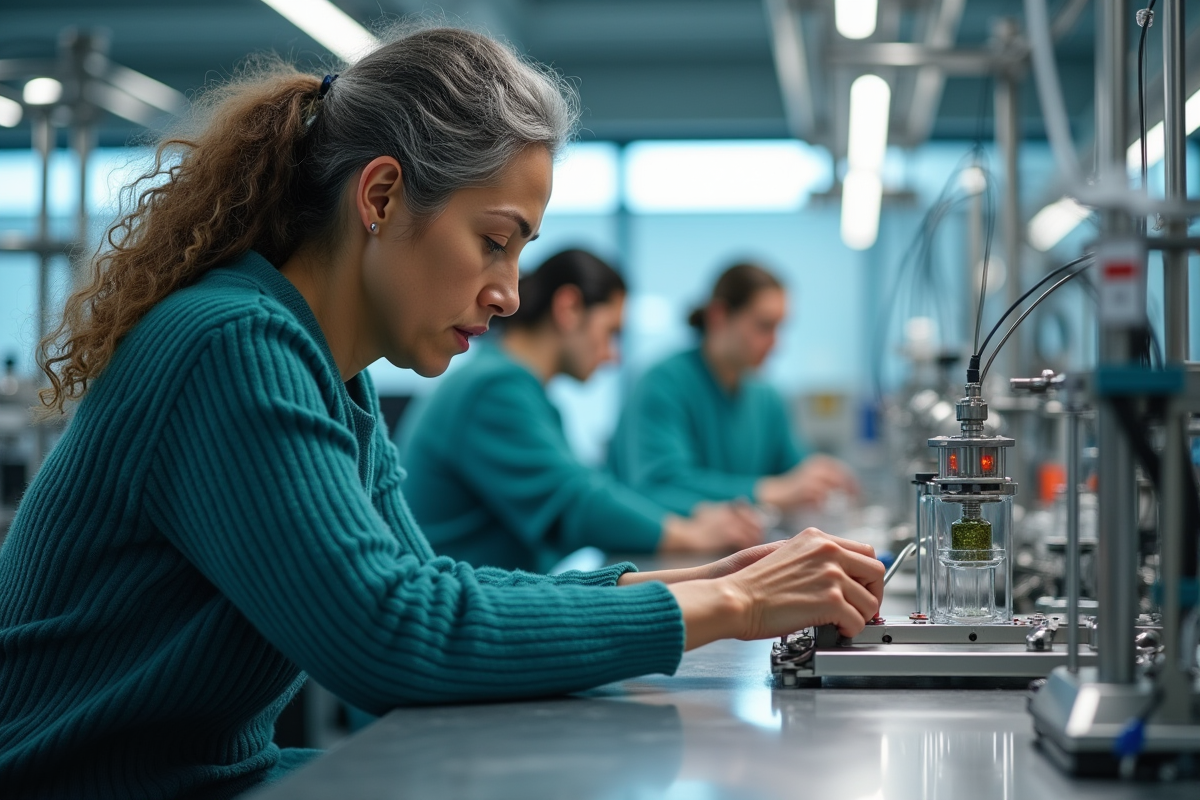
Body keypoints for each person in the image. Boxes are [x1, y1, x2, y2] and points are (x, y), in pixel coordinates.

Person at [0, 27, 883, 800]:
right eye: (493, 242)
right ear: (381, 197)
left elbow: (427, 584)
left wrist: (699, 583)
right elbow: (390, 635)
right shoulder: (230, 344)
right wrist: (730, 603)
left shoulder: (331, 378)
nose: (508, 294)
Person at [401, 248, 763, 573]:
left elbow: (591, 487)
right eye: (611, 332)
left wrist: (687, 516)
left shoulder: (514, 387)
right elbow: (576, 501)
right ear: (569, 308)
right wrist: (687, 535)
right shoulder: (495, 389)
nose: (613, 355)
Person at [609, 262, 858, 515]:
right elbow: (660, 487)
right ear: (719, 316)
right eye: (765, 326)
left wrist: (819, 476)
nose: (776, 344)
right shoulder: (662, 385)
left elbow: (793, 470)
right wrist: (770, 492)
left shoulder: (766, 397)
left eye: (780, 327)